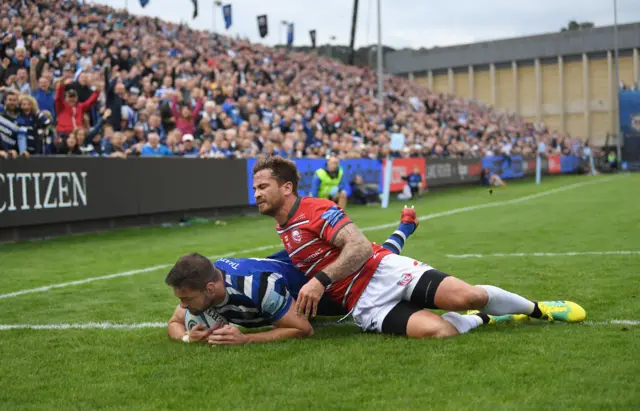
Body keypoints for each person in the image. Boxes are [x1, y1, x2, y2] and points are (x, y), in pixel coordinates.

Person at [251, 156, 586, 339]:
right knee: (440, 332)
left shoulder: (316, 210)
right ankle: (484, 320)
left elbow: (359, 248)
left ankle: (537, 309)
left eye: (263, 186)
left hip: (383, 270)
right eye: (255, 188)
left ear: (288, 187)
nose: (257, 194)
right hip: (363, 303)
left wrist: (319, 281)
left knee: (468, 296)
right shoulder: (284, 226)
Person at [165, 208, 509, 345]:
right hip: (281, 265)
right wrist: (187, 337)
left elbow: (301, 329)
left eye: (185, 299)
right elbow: (175, 323)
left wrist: (244, 339)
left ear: (209, 287)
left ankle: (405, 228)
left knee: (369, 261)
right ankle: (405, 226)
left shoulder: (258, 289)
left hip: (306, 283)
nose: (182, 305)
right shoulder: (197, 288)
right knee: (372, 258)